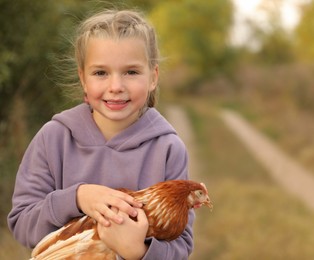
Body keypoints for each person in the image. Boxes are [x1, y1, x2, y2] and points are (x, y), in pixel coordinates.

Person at [8, 9, 193, 260]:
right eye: (100, 73)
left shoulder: (168, 148)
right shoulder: (53, 139)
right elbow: (23, 225)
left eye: (131, 72)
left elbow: (181, 246)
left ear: (153, 77)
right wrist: (76, 198)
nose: (116, 87)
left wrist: (137, 251)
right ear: (83, 78)